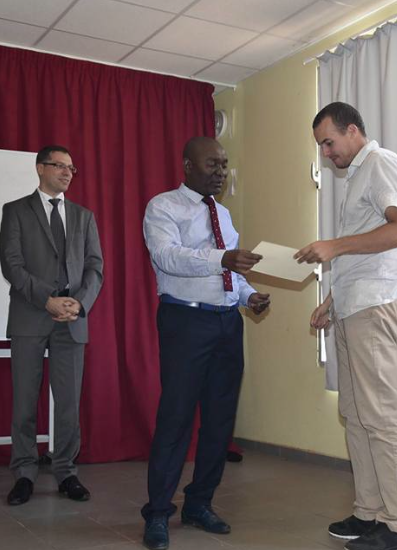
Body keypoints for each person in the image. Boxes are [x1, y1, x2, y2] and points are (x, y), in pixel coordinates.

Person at [295, 102, 397, 550]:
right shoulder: (357, 178)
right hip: (353, 306)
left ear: (353, 131)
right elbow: (361, 253)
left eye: (329, 142)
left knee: (381, 417)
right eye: (321, 146)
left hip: (377, 304)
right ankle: (369, 513)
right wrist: (331, 301)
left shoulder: (382, 163)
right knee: (356, 416)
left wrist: (334, 245)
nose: (326, 153)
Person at [140, 136, 270, 550]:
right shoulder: (163, 207)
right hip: (186, 321)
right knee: (176, 417)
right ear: (187, 166)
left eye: (224, 165)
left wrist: (249, 296)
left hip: (227, 323)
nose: (221, 172)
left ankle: (199, 503)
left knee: (219, 420)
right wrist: (222, 259)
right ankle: (158, 512)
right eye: (212, 164)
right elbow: (167, 256)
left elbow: (231, 272)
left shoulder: (224, 214)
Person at [0, 145, 103, 506]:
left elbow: (95, 267)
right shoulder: (15, 211)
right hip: (30, 316)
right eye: (59, 166)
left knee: (69, 403)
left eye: (71, 168)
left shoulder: (84, 216)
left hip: (71, 320)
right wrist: (47, 298)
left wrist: (80, 302)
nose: (67, 173)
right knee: (24, 401)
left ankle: (66, 472)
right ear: (40, 168)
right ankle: (24, 473)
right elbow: (11, 265)